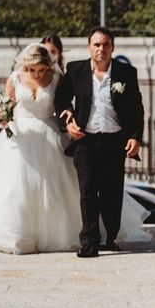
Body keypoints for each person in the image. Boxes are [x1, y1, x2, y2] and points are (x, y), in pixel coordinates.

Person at [0, 43, 150, 254]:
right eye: (33, 70)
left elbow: (62, 102)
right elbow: (9, 106)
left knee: (58, 188)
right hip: (19, 139)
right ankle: (15, 235)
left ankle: (80, 233)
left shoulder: (57, 77)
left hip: (49, 137)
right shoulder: (14, 78)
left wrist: (68, 117)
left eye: (42, 69)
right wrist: (1, 117)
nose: (39, 74)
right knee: (13, 189)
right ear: (25, 67)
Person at [55, 26, 145, 258]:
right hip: (85, 140)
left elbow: (137, 109)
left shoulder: (126, 73)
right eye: (97, 44)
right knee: (87, 191)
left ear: (112, 47)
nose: (101, 49)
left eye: (106, 44)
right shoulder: (76, 70)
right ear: (89, 47)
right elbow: (61, 100)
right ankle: (89, 242)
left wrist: (135, 137)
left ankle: (110, 237)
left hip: (115, 141)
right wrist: (68, 121)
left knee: (111, 193)